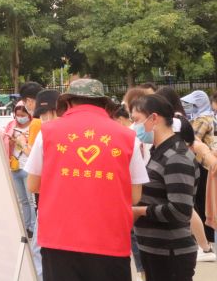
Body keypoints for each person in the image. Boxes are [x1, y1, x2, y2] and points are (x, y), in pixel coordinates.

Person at [25, 79, 149, 281]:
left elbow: (32, 185)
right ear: (104, 104)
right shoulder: (128, 137)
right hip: (109, 240)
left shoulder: (47, 133)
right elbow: (134, 196)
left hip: (59, 238)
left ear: (68, 102)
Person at [132, 94, 199, 281]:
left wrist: (139, 211)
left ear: (154, 118)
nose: (134, 126)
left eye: (137, 120)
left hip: (171, 252)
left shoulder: (176, 156)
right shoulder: (158, 151)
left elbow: (180, 210)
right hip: (155, 249)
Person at [182, 90, 216, 245]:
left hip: (203, 164)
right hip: (207, 163)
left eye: (193, 104)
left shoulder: (202, 119)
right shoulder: (208, 117)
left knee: (202, 201)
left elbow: (191, 139)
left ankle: (207, 236)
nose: (189, 107)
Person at [2, 103, 36, 235]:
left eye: (23, 115)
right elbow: (5, 142)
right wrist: (10, 141)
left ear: (29, 115)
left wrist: (22, 141)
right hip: (14, 166)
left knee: (31, 200)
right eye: (18, 115)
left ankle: (33, 227)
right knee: (22, 200)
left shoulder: (34, 126)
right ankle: (26, 226)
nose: (20, 118)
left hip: (28, 166)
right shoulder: (11, 126)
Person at [19, 82, 45, 147]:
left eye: (24, 103)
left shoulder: (36, 122)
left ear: (29, 101)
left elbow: (31, 151)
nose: (24, 105)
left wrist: (22, 142)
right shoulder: (49, 117)